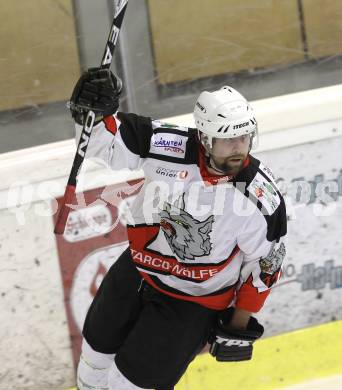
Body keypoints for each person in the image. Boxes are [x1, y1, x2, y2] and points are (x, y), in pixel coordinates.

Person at [70, 68, 287, 390]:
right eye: (226, 140)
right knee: (92, 365)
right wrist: (92, 112)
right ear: (203, 137)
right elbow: (105, 145)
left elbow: (266, 266)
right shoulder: (167, 145)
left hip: (194, 301)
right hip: (136, 273)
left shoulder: (258, 197)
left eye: (244, 137)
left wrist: (237, 325)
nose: (238, 148)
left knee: (128, 387)